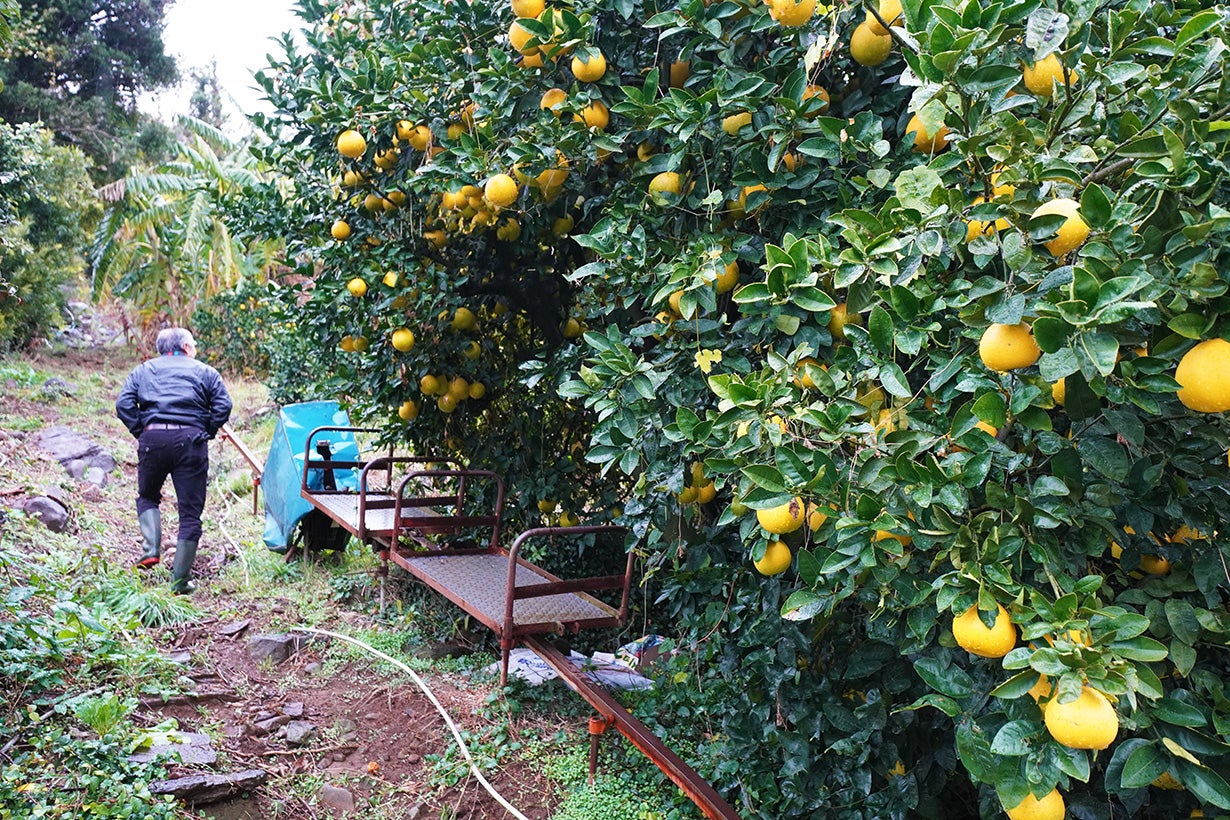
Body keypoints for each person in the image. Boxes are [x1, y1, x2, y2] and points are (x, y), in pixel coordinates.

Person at [115, 328, 232, 593]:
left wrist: (142, 430)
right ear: (186, 347)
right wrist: (207, 430)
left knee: (147, 496)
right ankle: (180, 582)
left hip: (152, 439)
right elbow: (223, 405)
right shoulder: (205, 372)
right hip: (191, 442)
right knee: (190, 514)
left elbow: (123, 404)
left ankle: (150, 550)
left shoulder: (142, 371)